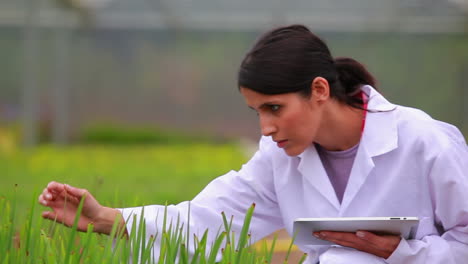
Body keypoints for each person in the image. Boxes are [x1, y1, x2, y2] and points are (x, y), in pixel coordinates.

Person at [38, 24, 468, 263]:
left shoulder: (426, 142)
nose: (265, 128)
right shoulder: (280, 160)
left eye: (275, 109)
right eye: (257, 112)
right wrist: (105, 218)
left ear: (319, 90)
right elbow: (208, 220)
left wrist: (405, 253)